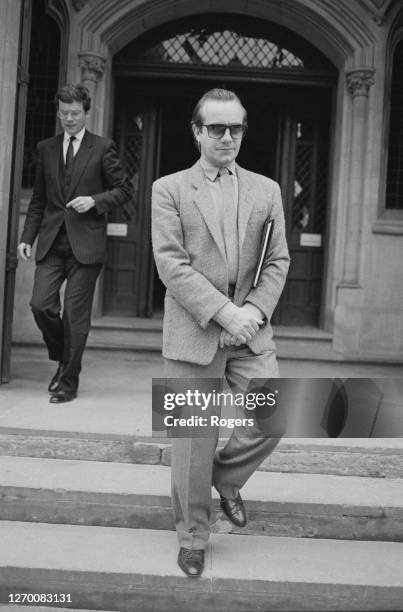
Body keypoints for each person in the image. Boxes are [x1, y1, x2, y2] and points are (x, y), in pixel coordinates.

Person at [151, 88, 290, 577]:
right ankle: (192, 538)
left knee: (274, 415)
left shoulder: (266, 189)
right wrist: (223, 313)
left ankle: (223, 480)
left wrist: (251, 311)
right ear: (197, 131)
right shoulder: (168, 189)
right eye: (217, 128)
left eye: (236, 128)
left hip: (250, 330)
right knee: (192, 438)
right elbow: (171, 265)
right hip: (194, 331)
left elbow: (278, 260)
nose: (228, 137)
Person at [17, 84, 131, 404]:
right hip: (52, 243)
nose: (69, 119)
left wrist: (94, 201)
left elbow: (124, 190)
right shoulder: (46, 148)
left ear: (86, 112)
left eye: (75, 114)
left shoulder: (103, 148)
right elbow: (38, 200)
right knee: (40, 305)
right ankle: (64, 357)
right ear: (58, 112)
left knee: (74, 317)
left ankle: (68, 382)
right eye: (64, 113)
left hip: (86, 246)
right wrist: (27, 238)